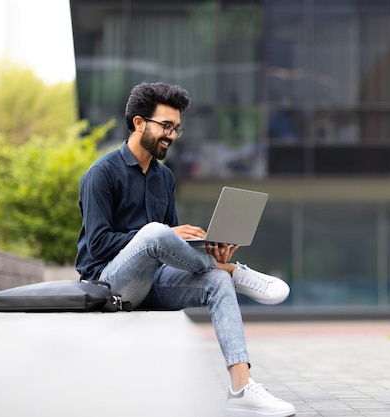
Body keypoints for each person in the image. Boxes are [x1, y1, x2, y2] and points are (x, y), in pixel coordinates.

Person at [76, 82, 297, 417]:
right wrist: (162, 235)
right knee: (154, 232)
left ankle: (242, 385)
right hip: (108, 284)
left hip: (153, 282)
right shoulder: (101, 174)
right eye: (166, 126)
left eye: (177, 128)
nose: (172, 135)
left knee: (215, 282)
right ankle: (234, 271)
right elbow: (98, 245)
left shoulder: (165, 178)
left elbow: (169, 249)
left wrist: (206, 248)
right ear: (139, 123)